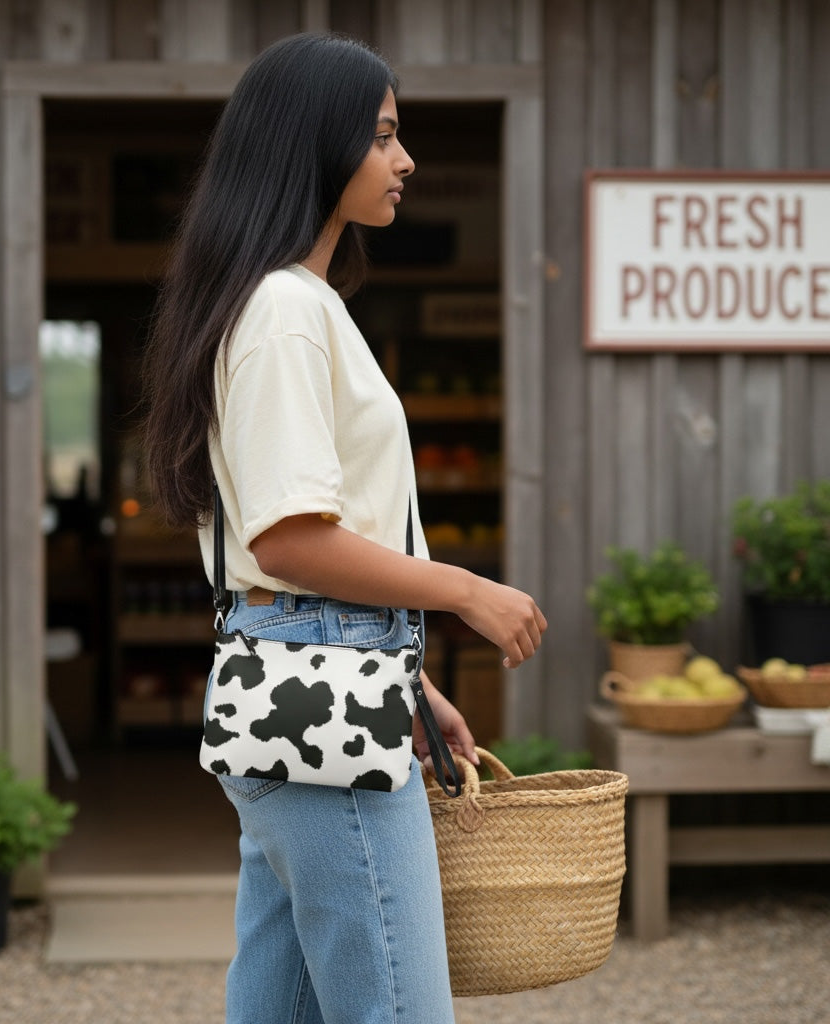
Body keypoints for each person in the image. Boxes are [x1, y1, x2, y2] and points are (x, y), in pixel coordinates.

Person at [141, 32, 547, 1024]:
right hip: (324, 709)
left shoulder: (287, 299)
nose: (403, 160)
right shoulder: (284, 308)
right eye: (380, 136)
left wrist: (413, 680)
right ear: (313, 145)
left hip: (301, 695)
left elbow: (293, 560)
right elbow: (288, 539)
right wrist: (465, 590)